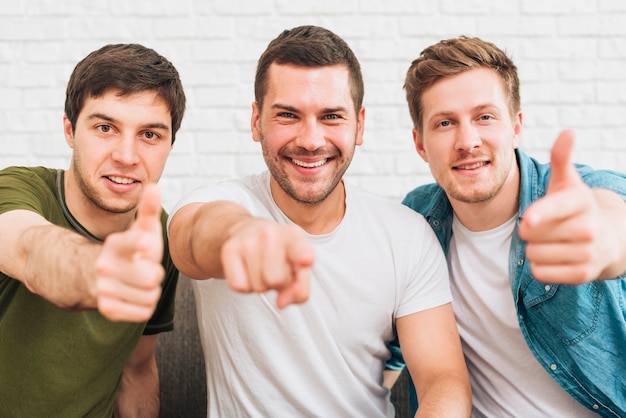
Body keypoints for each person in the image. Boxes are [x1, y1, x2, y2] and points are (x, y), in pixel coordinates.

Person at [167, 25, 471, 417]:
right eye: (288, 115)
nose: (311, 140)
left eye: (331, 116)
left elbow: (442, 379)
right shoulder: (216, 202)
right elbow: (192, 239)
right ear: (256, 120)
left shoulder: (407, 235)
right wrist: (242, 235)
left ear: (359, 125)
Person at [393, 35, 626, 417]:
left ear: (516, 126)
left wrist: (607, 241)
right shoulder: (416, 222)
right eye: (445, 123)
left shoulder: (569, 200)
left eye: (485, 117)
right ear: (420, 144)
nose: (467, 141)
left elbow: (613, 211)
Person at [0, 43, 186, 417]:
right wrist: (99, 267)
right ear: (70, 130)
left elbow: (136, 370)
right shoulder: (17, 189)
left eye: (150, 135)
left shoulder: (160, 237)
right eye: (105, 127)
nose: (127, 156)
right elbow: (26, 248)